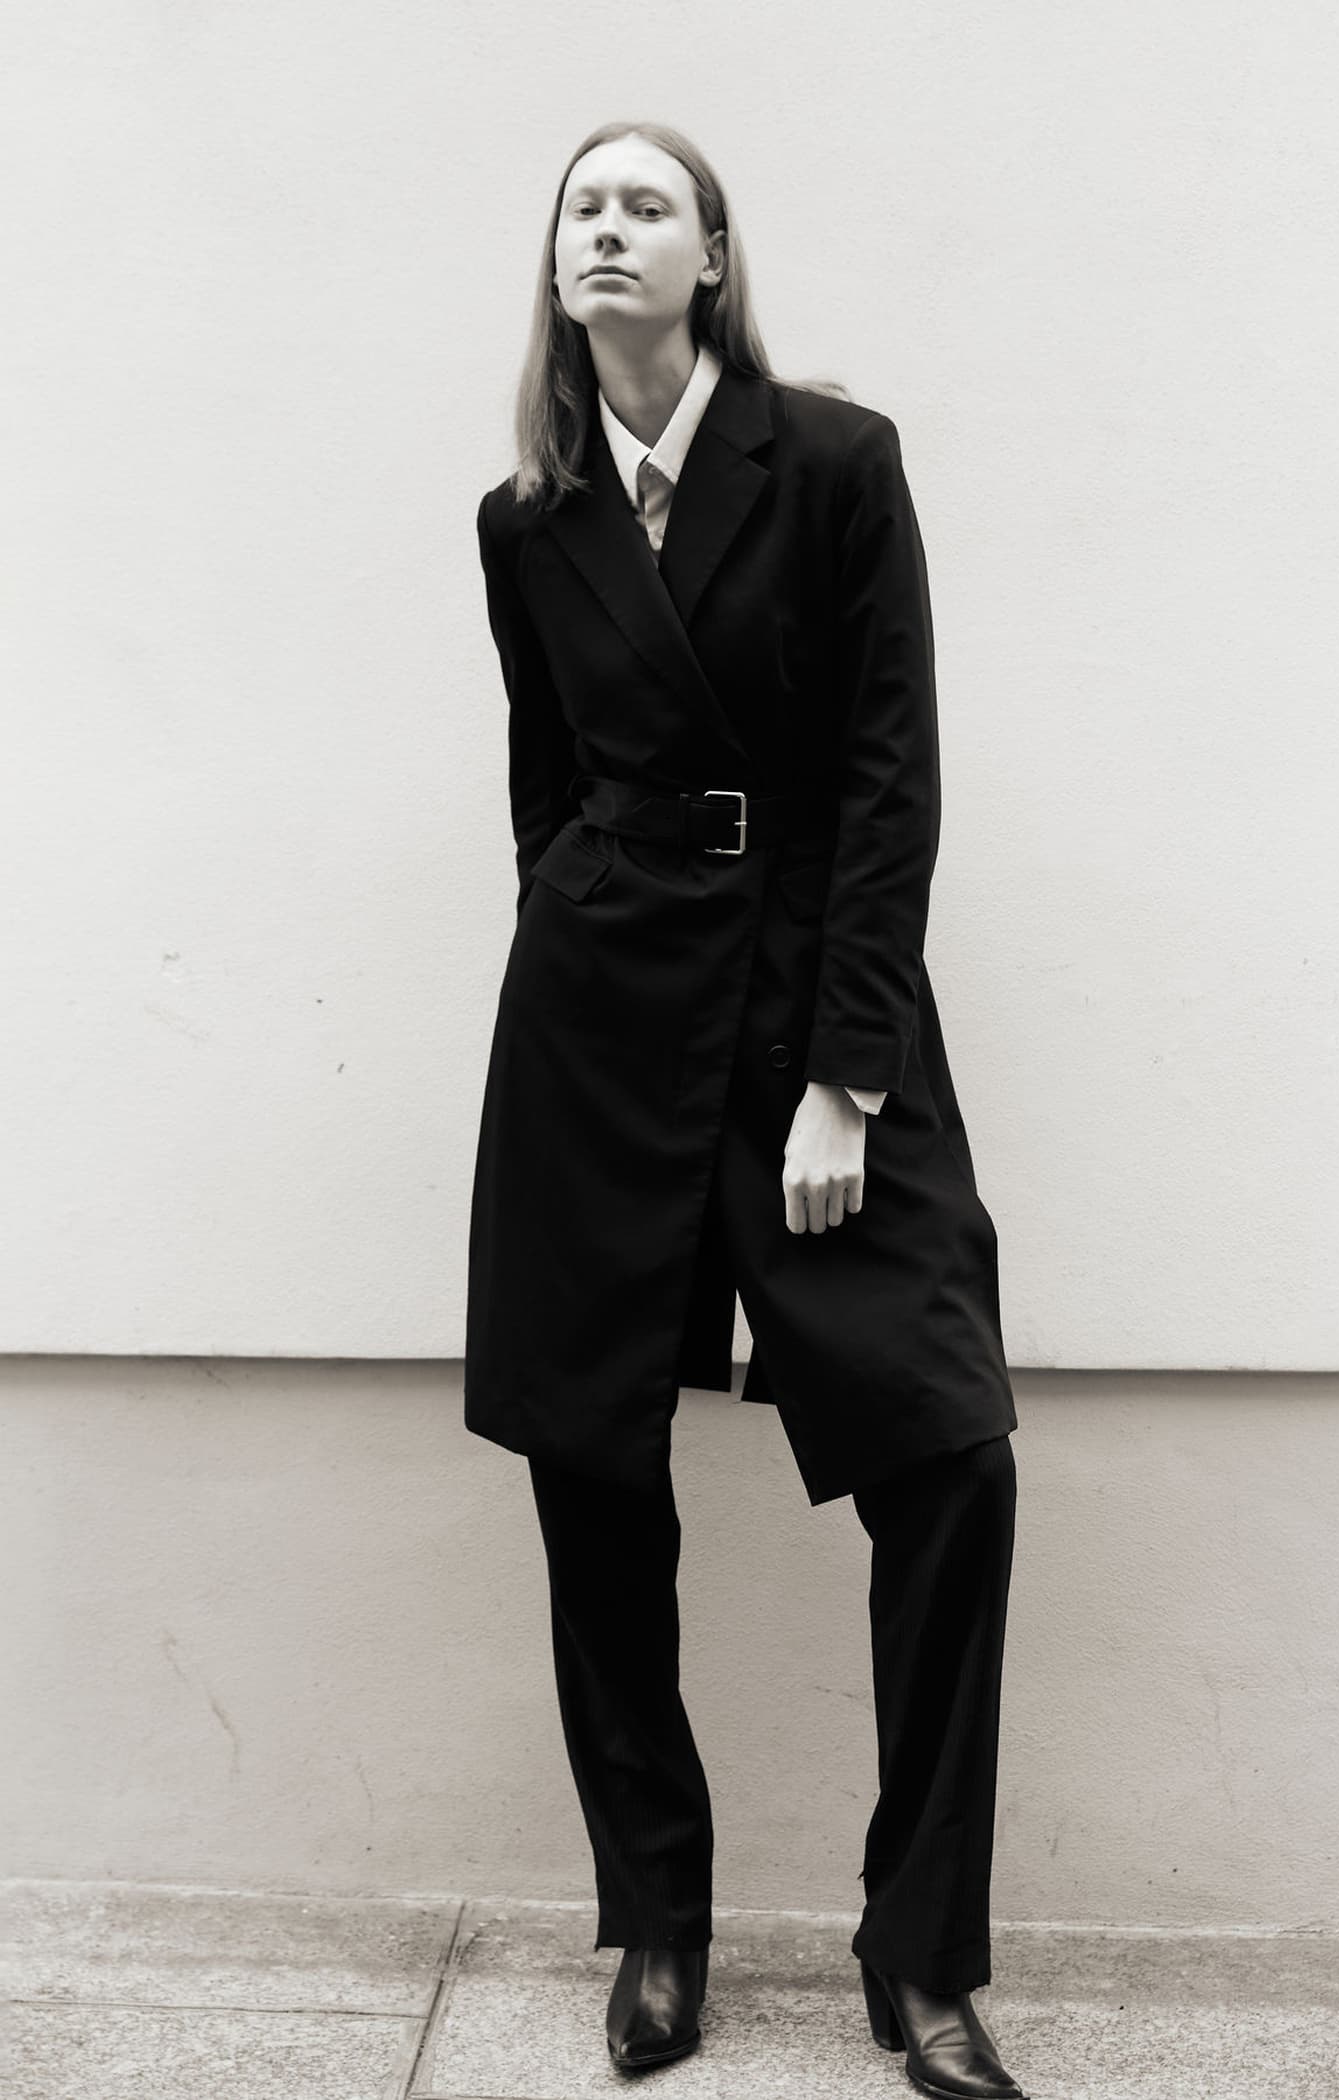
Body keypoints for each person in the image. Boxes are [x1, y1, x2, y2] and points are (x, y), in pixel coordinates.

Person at [465, 118, 1025, 2097]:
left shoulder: (836, 465)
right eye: (583, 206)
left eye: (649, 205)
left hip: (810, 1015)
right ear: (557, 262)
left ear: (711, 256)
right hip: (599, 1021)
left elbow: (891, 777)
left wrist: (846, 1080)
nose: (608, 230)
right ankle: (659, 1919)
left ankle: (920, 1953)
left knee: (949, 1456)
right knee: (591, 1468)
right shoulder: (525, 520)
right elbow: (545, 781)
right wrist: (575, 937)